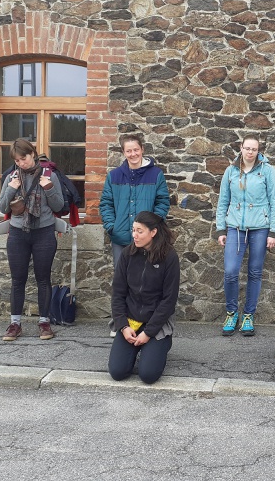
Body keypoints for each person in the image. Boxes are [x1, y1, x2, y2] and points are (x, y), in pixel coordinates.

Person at [100, 134, 170, 336]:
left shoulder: (155, 174)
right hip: (121, 238)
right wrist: (112, 226)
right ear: (123, 152)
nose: (133, 154)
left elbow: (163, 202)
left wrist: (152, 226)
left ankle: (148, 323)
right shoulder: (114, 176)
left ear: (142, 150)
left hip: (149, 241)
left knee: (148, 281)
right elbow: (105, 204)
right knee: (122, 281)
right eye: (128, 150)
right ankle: (121, 324)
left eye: (136, 150)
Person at [0, 138, 64, 342]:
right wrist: (11, 188)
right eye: (17, 160)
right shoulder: (12, 176)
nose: (21, 163)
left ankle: (44, 323)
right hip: (18, 233)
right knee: (18, 280)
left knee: (43, 279)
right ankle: (15, 324)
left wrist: (49, 187)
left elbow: (59, 206)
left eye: (23, 158)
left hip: (44, 232)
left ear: (33, 154)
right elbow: (2, 207)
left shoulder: (49, 175)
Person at [216, 134, 275, 337]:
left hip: (260, 228)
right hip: (235, 227)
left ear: (258, 150)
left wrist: (273, 231)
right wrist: (221, 228)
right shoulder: (231, 171)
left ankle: (248, 315)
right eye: (247, 148)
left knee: (255, 272)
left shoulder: (267, 171)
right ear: (241, 147)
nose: (250, 152)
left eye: (254, 149)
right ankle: (231, 312)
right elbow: (222, 201)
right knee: (230, 271)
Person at [108, 211, 180, 384]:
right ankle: (135, 347)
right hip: (130, 322)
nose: (134, 235)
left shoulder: (170, 257)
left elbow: (168, 301)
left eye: (140, 231)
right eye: (133, 230)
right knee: (117, 372)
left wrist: (148, 333)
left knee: (148, 375)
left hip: (156, 324)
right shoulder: (127, 254)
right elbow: (117, 294)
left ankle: (161, 344)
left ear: (153, 232)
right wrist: (123, 326)